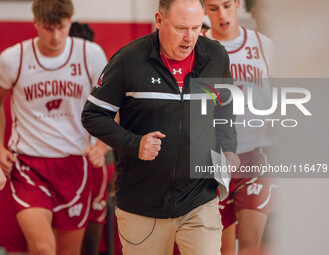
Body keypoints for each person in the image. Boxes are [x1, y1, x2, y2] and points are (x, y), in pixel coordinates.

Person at [81, 0, 240, 254]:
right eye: (180, 28)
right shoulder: (128, 59)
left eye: (196, 27)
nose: (189, 38)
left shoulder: (215, 57)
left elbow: (223, 109)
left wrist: (229, 148)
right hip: (141, 206)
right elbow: (92, 115)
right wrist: (135, 143)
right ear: (159, 20)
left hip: (199, 198)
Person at [0, 0, 107, 254]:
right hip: (28, 164)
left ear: (70, 21)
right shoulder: (13, 58)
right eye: (49, 28)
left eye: (62, 27)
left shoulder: (90, 54)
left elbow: (111, 104)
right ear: (35, 23)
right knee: (44, 248)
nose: (56, 36)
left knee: (68, 251)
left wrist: (101, 145)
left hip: (74, 163)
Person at [204, 0, 275, 255]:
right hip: (216, 159)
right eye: (213, 8)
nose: (222, 14)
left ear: (236, 3)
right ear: (203, 9)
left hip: (256, 154)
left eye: (226, 5)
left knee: (249, 245)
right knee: (223, 250)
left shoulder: (264, 45)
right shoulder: (199, 47)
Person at [67, 20, 109, 255]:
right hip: (62, 157)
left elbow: (115, 112)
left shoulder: (99, 73)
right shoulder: (53, 76)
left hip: (92, 157)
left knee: (94, 218)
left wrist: (101, 147)